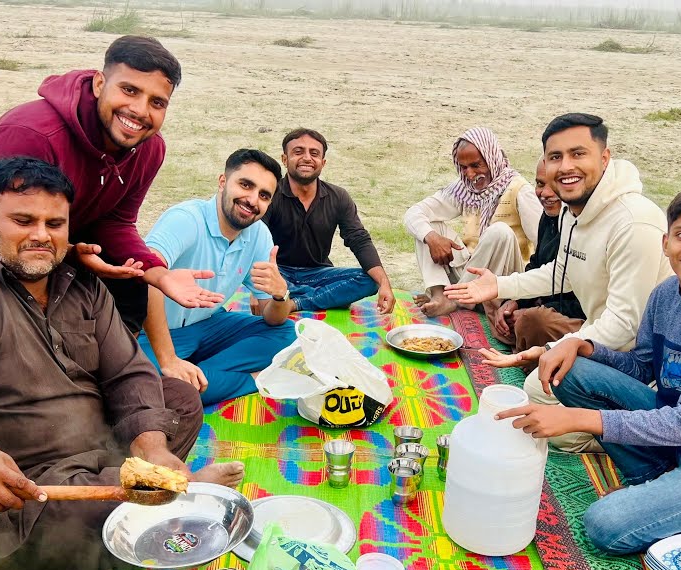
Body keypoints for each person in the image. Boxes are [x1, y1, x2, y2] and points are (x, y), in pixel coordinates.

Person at [0, 157, 243, 570]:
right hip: (15, 491)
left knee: (178, 399)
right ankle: (178, 495)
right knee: (82, 526)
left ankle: (161, 488)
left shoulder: (80, 284)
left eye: (55, 223)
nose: (41, 236)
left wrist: (152, 449)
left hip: (96, 451)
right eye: (23, 221)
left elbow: (128, 374)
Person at [493, 185, 681, 555]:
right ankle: (659, 480)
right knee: (572, 369)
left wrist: (579, 419)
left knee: (606, 525)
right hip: (674, 440)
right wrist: (582, 344)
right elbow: (642, 366)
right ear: (666, 243)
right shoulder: (666, 294)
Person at [0, 35, 220, 333]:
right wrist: (66, 252)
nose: (139, 111)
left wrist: (159, 275)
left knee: (125, 296)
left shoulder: (150, 149)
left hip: (41, 228)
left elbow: (116, 221)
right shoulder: (35, 134)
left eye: (157, 102)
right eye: (129, 90)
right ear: (99, 84)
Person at [445, 113, 669, 451]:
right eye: (555, 157)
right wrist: (501, 286)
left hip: (643, 365)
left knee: (546, 423)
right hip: (599, 344)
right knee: (535, 392)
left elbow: (624, 326)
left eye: (578, 154)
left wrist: (552, 349)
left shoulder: (634, 223)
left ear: (604, 158)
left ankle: (645, 432)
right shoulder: (572, 211)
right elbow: (559, 270)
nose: (565, 166)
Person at [138, 149, 297, 406]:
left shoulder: (258, 235)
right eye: (246, 185)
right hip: (152, 334)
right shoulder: (186, 219)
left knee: (289, 335)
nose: (252, 200)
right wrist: (167, 358)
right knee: (150, 385)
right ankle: (253, 379)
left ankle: (197, 375)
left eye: (264, 195)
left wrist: (281, 295)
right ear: (222, 182)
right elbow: (143, 278)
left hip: (209, 325)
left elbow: (271, 316)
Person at [403, 127, 541, 318]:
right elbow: (413, 213)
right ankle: (439, 295)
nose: (469, 174)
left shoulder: (520, 190)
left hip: (504, 283)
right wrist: (432, 238)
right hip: (470, 273)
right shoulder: (465, 188)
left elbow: (544, 245)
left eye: (476, 165)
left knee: (500, 232)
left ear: (491, 158)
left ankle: (454, 300)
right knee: (427, 228)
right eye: (464, 167)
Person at [260, 128, 394, 314]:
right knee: (260, 280)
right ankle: (323, 297)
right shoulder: (269, 194)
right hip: (278, 271)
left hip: (319, 273)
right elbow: (255, 239)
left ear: (322, 163)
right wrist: (259, 287)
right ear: (284, 159)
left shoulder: (338, 196)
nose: (307, 158)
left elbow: (359, 239)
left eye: (314, 153)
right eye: (298, 152)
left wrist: (384, 284)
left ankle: (295, 303)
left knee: (370, 279)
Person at [488, 156, 586, 351]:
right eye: (540, 184)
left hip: (574, 317)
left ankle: (528, 346)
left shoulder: (583, 225)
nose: (546, 194)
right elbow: (537, 266)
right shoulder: (549, 217)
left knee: (534, 320)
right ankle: (521, 336)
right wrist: (513, 303)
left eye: (555, 185)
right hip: (542, 301)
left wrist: (531, 309)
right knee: (493, 293)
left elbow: (583, 303)